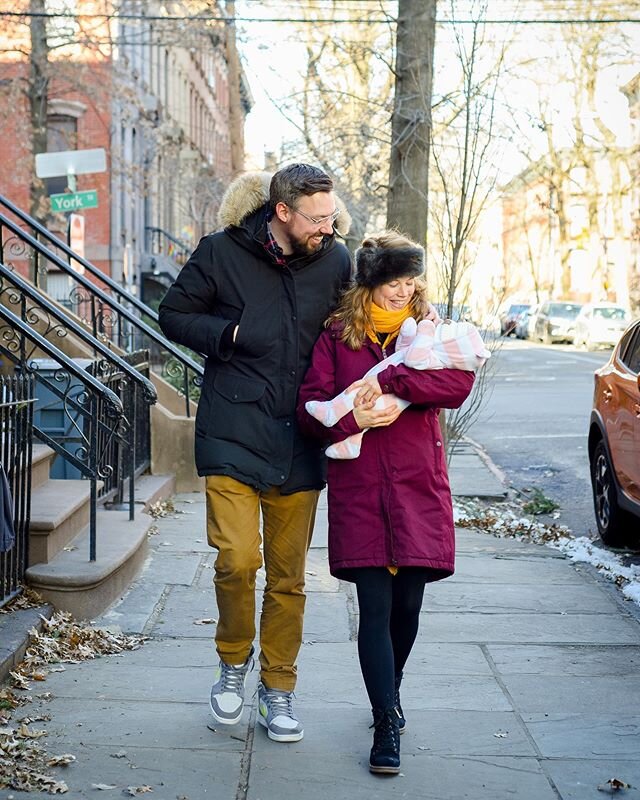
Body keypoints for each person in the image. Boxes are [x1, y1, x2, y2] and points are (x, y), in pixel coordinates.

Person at [158, 164, 352, 743]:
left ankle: (278, 687)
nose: (329, 226)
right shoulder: (220, 253)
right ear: (282, 212)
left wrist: (416, 321)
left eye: (331, 215)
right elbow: (174, 315)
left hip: (301, 437)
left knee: (289, 578)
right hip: (233, 430)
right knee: (238, 560)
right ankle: (231, 666)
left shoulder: (336, 259)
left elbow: (359, 323)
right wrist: (231, 335)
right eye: (317, 218)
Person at [297, 231, 475, 774]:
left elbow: (456, 385)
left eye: (410, 280)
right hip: (363, 488)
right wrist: (357, 418)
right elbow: (311, 404)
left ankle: (389, 695)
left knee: (409, 607)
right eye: (393, 282)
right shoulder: (337, 335)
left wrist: (396, 376)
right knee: (375, 608)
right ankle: (386, 721)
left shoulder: (432, 332)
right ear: (370, 283)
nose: (404, 291)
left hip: (418, 485)